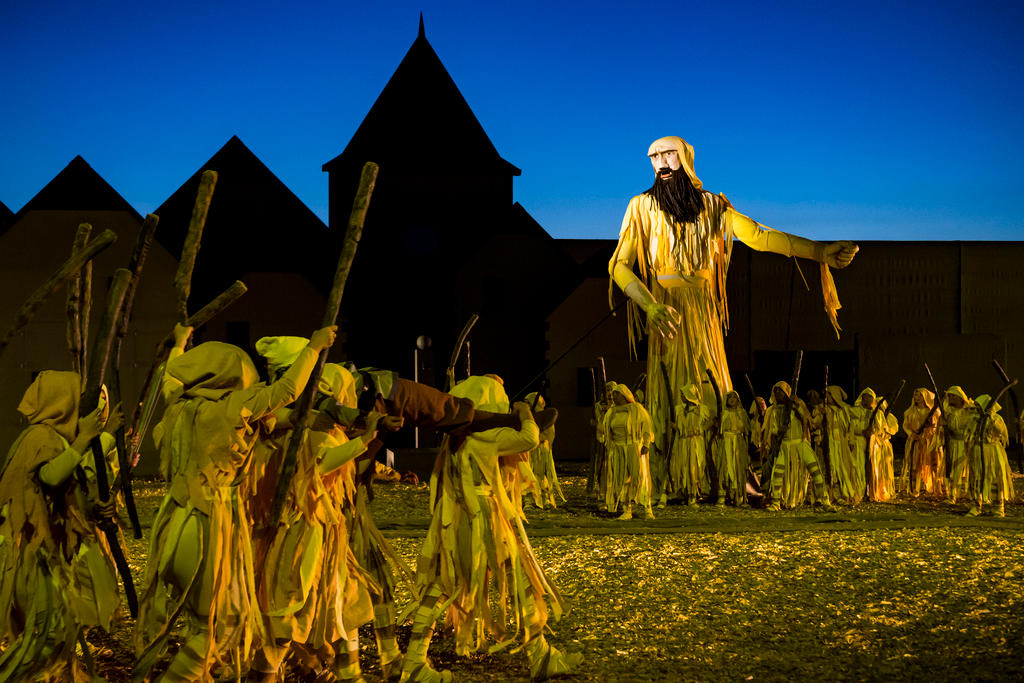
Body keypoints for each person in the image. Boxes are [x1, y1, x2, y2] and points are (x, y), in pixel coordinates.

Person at [608, 136, 858, 499]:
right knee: (668, 392)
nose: (661, 163)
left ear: (686, 159)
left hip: (703, 312)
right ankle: (667, 478)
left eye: (669, 155)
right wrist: (649, 305)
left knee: (713, 386)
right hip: (666, 311)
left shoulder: (714, 207)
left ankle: (724, 476)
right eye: (654, 157)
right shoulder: (640, 207)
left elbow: (757, 235)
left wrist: (819, 251)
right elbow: (619, 265)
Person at [132, 324, 335, 681]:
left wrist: (179, 344)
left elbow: (169, 376)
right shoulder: (234, 408)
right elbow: (287, 390)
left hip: (171, 526)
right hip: (208, 522)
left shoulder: (179, 405)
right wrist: (315, 348)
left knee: (202, 622)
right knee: (220, 627)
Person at [401, 375, 581, 682]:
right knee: (518, 579)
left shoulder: (456, 439)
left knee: (444, 583)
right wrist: (523, 411)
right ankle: (539, 656)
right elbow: (529, 438)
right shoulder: (487, 438)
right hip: (484, 518)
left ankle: (415, 661)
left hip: (455, 519)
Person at [0, 371, 124, 681]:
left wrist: (96, 509)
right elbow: (49, 477)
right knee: (46, 635)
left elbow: (66, 492)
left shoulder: (55, 437)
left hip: (49, 552)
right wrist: (84, 439)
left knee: (58, 631)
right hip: (32, 555)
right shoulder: (39, 436)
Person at [763, 381, 833, 511]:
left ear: (786, 392)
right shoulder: (773, 410)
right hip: (784, 446)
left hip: (800, 443)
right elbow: (772, 431)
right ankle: (776, 502)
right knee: (778, 472)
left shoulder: (798, 404)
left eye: (780, 391)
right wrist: (779, 431)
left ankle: (825, 501)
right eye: (776, 391)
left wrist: (796, 406)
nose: (777, 393)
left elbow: (807, 420)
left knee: (815, 470)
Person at [598, 383, 655, 519]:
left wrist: (646, 444)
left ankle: (648, 509)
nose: (613, 396)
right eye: (613, 394)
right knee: (622, 479)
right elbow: (606, 431)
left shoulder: (637, 409)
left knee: (641, 477)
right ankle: (626, 509)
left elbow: (646, 427)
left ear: (623, 395)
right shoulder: (611, 412)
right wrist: (610, 446)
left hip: (634, 447)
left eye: (616, 394)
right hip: (618, 448)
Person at [966, 394, 1014, 517]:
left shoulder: (997, 418)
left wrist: (991, 419)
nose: (976, 408)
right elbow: (967, 433)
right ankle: (976, 506)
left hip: (993, 451)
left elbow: (1001, 432)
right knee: (977, 478)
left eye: (978, 406)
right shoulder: (974, 418)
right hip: (977, 451)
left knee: (995, 479)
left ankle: (998, 507)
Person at [669, 383, 712, 507]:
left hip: (696, 442)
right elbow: (678, 427)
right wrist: (675, 427)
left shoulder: (702, 409)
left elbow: (706, 424)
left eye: (683, 394)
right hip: (682, 442)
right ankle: (685, 494)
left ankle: (694, 495)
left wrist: (704, 428)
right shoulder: (679, 409)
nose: (681, 396)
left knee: (695, 468)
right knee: (683, 467)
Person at [901, 388, 942, 497]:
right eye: (915, 395)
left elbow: (939, 425)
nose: (916, 397)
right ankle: (915, 488)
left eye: (919, 395)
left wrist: (931, 427)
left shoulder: (934, 412)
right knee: (915, 464)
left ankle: (936, 488)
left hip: (929, 440)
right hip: (916, 440)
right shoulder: (910, 412)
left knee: (934, 464)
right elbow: (905, 425)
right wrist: (911, 434)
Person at [821, 386, 859, 504]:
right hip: (829, 444)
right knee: (831, 468)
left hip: (842, 444)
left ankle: (844, 494)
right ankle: (832, 494)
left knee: (844, 468)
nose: (827, 397)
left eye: (829, 395)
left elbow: (850, 426)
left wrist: (850, 440)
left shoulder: (845, 410)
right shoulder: (823, 410)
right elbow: (817, 425)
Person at [714, 390, 751, 506]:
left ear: (738, 400)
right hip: (725, 442)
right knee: (724, 467)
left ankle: (739, 495)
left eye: (734, 397)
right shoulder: (723, 413)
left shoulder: (742, 413)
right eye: (730, 397)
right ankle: (722, 496)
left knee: (738, 468)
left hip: (738, 443)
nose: (732, 399)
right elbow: (718, 431)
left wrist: (746, 450)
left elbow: (746, 433)